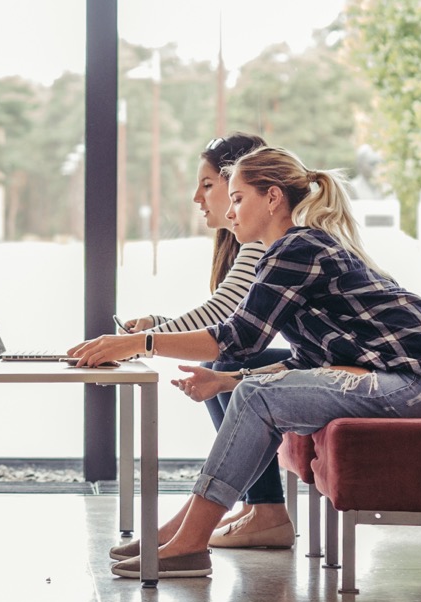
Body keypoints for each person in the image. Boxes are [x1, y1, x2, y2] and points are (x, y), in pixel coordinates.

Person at [69, 145, 421, 580]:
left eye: (238, 198)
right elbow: (300, 360)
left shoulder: (297, 248)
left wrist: (138, 343)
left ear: (273, 198)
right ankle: (178, 537)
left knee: (255, 395)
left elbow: (237, 337)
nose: (230, 213)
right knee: (250, 390)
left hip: (419, 386)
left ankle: (188, 543)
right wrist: (226, 381)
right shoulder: (290, 250)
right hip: (407, 383)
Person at [121, 132, 294, 549]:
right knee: (226, 365)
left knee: (226, 365)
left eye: (210, 186)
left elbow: (226, 325)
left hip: (351, 368)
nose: (199, 199)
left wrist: (143, 340)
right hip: (326, 359)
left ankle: (262, 510)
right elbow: (232, 317)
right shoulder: (255, 241)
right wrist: (154, 328)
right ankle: (259, 506)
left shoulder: (271, 241)